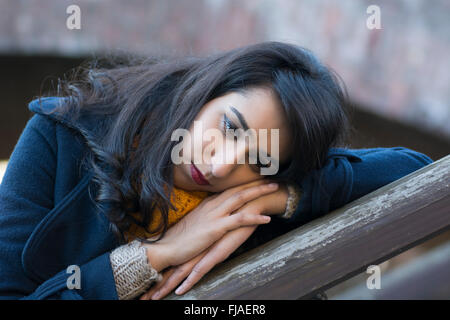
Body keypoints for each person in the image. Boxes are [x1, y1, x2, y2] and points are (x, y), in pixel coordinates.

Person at [0, 41, 433, 300]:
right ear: (208, 89)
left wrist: (282, 197)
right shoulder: (61, 135)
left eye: (257, 157)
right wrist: (153, 255)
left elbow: (414, 173)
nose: (222, 163)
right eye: (229, 126)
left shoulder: (252, 205)